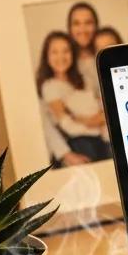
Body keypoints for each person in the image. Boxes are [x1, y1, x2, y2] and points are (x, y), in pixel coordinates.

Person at [36, 31, 110, 163]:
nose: (61, 57)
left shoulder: (84, 80)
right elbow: (67, 124)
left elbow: (103, 110)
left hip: (103, 140)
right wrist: (94, 124)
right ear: (46, 56)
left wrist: (86, 120)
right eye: (54, 52)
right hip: (82, 144)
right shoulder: (50, 86)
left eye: (66, 51)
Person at [66, 1, 101, 98]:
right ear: (70, 28)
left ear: (96, 25)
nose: (83, 29)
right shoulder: (64, 60)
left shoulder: (102, 55)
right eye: (76, 23)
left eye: (88, 23)